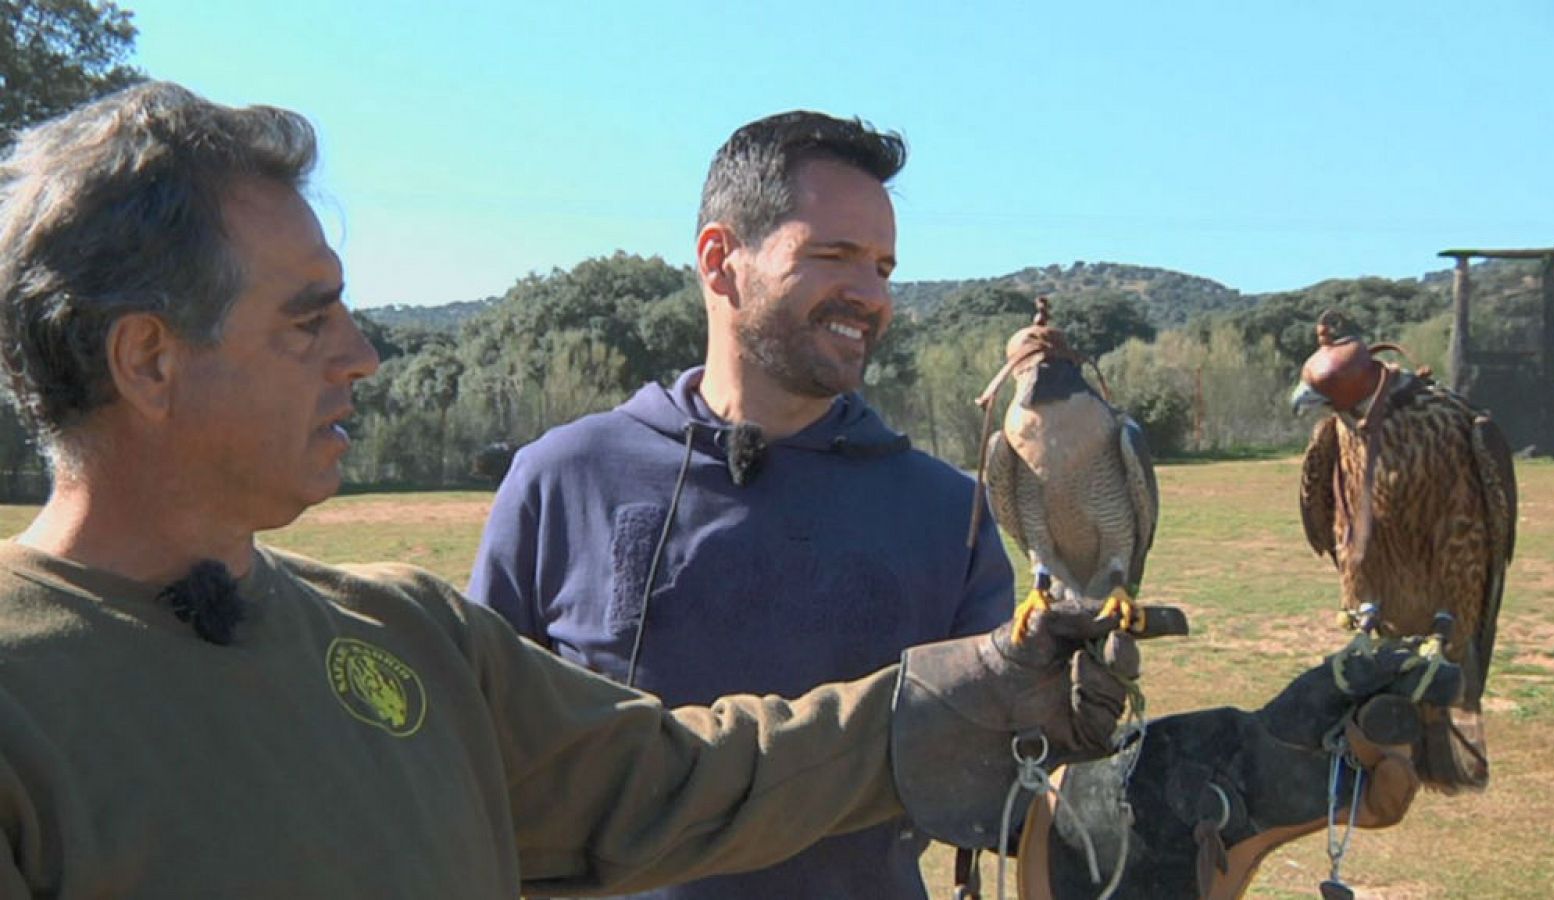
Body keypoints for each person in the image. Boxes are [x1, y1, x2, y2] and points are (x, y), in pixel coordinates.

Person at [0, 81, 1135, 898]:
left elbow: (676, 777)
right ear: (148, 358)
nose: (362, 353)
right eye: (308, 318)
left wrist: (972, 693)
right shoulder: (26, 698)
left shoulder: (406, 631)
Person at [467, 111, 1015, 898]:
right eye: (834, 256)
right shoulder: (564, 480)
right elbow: (483, 763)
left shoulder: (947, 511)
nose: (870, 297)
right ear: (721, 261)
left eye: (884, 269)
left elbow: (1000, 784)